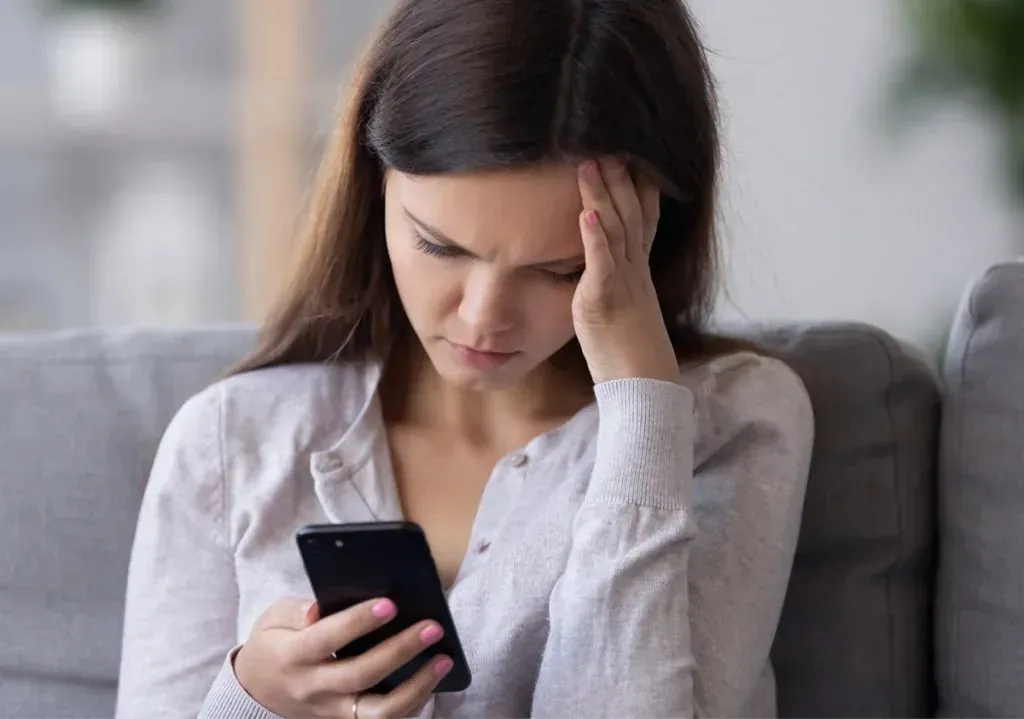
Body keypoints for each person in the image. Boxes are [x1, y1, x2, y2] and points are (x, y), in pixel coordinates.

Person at [115, 0, 814, 717]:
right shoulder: (233, 444)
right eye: (440, 246)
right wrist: (254, 700)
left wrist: (640, 406)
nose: (482, 317)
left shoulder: (734, 420)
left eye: (558, 269)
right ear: (373, 184)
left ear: (650, 234)